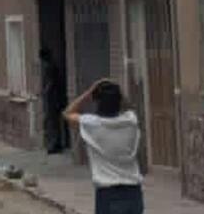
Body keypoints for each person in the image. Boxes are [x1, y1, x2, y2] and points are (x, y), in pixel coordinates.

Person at [64, 79, 144, 214]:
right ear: (119, 102)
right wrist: (117, 89)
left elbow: (67, 113)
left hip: (108, 193)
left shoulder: (92, 124)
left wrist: (89, 92)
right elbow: (129, 106)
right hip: (133, 192)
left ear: (98, 103)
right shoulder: (131, 121)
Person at [40, 48, 68, 153]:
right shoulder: (52, 66)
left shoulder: (49, 67)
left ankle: (55, 144)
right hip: (55, 99)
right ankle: (56, 144)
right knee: (53, 122)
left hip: (53, 100)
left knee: (53, 122)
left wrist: (45, 92)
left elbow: (50, 83)